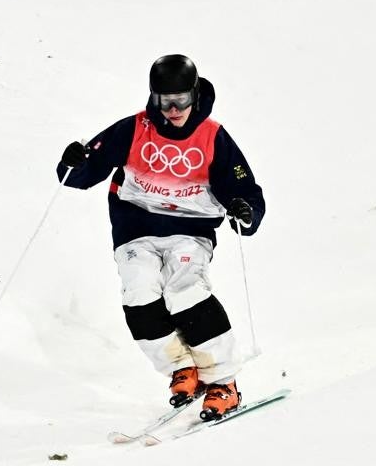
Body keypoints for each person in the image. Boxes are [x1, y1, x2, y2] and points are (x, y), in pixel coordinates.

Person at [56, 54, 265, 421]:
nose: (173, 110)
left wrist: (245, 212)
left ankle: (222, 382)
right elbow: (83, 174)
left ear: (195, 95)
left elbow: (244, 189)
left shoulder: (213, 136)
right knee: (138, 292)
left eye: (181, 100)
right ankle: (180, 368)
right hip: (135, 228)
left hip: (190, 229)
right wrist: (73, 162)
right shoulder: (134, 128)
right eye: (164, 101)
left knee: (184, 291)